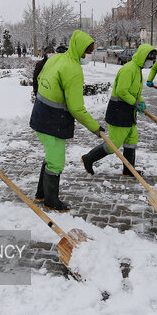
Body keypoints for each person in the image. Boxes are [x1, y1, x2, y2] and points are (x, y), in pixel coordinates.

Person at [29, 30, 103, 211]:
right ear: (79, 50)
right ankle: (51, 201)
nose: (88, 56)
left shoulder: (56, 58)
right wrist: (96, 128)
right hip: (53, 120)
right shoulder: (74, 70)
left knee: (51, 156)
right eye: (87, 52)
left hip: (40, 113)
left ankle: (41, 194)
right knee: (56, 161)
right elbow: (76, 108)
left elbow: (39, 78)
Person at [82, 43, 156, 177]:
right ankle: (88, 158)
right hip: (119, 111)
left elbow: (136, 92)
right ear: (142, 57)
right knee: (114, 144)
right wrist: (135, 103)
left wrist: (141, 102)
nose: (150, 62)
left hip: (128, 112)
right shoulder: (129, 69)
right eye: (149, 59)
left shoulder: (137, 70)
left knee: (132, 140)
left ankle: (128, 170)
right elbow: (122, 91)